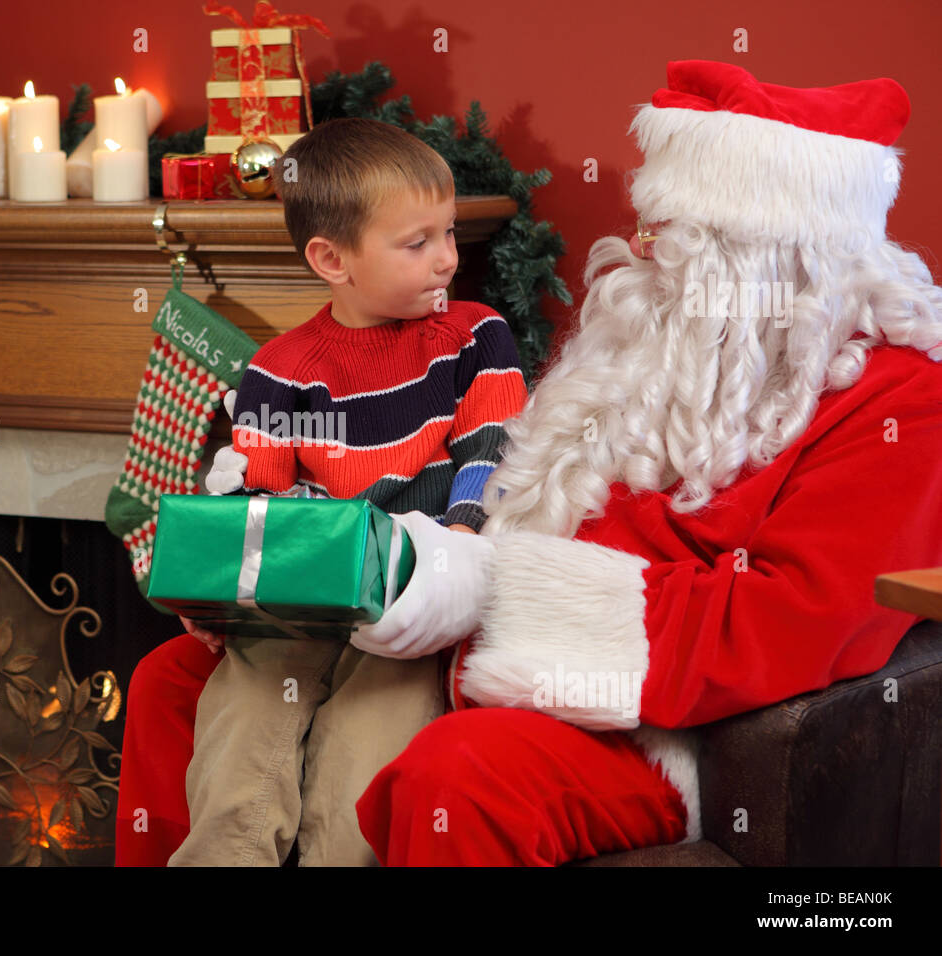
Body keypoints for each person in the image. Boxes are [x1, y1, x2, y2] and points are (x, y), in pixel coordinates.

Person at [117, 60, 942, 866]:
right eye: (652, 222)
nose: (644, 248)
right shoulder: (654, 345)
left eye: (678, 234)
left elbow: (793, 620)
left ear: (771, 256)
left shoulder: (898, 398)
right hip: (452, 635)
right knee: (173, 679)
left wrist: (481, 590)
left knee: (457, 780)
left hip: (639, 721)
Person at [158, 117, 528, 866]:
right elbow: (254, 494)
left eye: (450, 234)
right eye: (417, 243)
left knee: (360, 765)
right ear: (332, 259)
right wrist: (216, 598)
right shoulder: (277, 369)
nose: (447, 260)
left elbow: (495, 448)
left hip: (410, 600)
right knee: (237, 752)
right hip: (299, 598)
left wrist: (458, 542)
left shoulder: (474, 337)